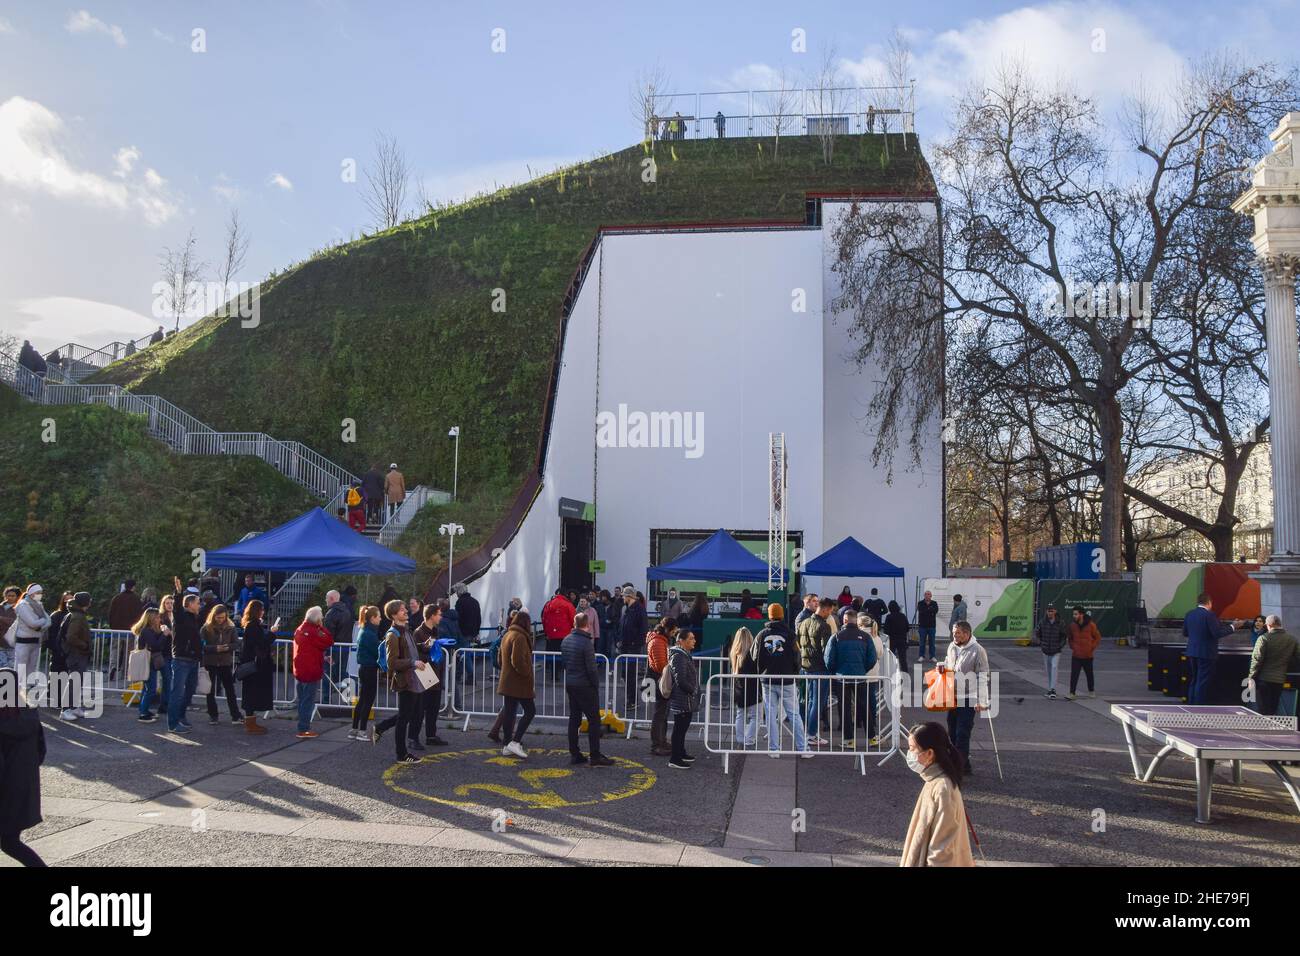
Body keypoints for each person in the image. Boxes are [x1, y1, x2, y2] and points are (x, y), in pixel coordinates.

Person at [900, 722, 975, 867]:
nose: (910, 754)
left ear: (929, 753)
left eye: (912, 749)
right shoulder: (934, 779)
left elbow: (941, 850)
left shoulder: (942, 787)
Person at [372, 600, 427, 763]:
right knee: (404, 718)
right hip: (405, 680)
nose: (406, 611)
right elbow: (392, 662)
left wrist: (423, 646)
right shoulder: (392, 635)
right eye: (402, 610)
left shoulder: (406, 630)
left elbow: (410, 649)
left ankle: (381, 727)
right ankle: (401, 754)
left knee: (410, 714)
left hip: (415, 678)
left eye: (405, 609)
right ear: (394, 615)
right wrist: (412, 662)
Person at [0, 688, 47, 867]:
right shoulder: (30, 716)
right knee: (10, 842)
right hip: (25, 789)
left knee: (10, 843)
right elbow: (41, 753)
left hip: (5, 791)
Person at [756, 603, 809, 758]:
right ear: (782, 615)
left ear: (769, 616)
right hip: (787, 679)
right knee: (794, 714)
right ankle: (802, 748)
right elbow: (798, 657)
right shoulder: (790, 635)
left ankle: (774, 749)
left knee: (770, 715)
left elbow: (754, 656)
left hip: (767, 679)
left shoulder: (761, 634)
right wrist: (794, 672)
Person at [562, 611, 612, 766]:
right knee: (594, 720)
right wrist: (596, 685)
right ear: (588, 625)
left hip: (571, 682)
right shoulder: (587, 644)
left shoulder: (566, 640)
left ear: (574, 624)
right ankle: (595, 755)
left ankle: (574, 753)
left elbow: (565, 663)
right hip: (585, 685)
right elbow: (592, 670)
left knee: (574, 719)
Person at [940, 621, 989, 773]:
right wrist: (943, 666)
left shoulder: (978, 650)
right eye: (953, 633)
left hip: (969, 696)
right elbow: (949, 663)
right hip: (953, 695)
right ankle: (963, 763)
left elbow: (983, 676)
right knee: (952, 729)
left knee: (963, 731)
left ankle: (958, 767)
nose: (954, 635)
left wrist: (982, 700)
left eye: (957, 633)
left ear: (967, 634)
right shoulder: (952, 646)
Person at [825, 611, 878, 743]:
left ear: (844, 620)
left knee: (845, 709)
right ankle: (871, 737)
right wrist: (862, 669)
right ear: (856, 621)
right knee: (864, 707)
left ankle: (848, 740)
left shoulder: (836, 637)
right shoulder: (866, 637)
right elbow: (872, 658)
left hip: (841, 677)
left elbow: (828, 659)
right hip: (860, 676)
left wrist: (835, 670)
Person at [410, 603, 454, 750]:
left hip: (435, 672)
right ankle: (413, 738)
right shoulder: (418, 632)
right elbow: (416, 654)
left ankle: (431, 735)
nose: (441, 617)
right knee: (419, 709)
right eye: (439, 614)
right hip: (424, 673)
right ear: (432, 616)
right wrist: (428, 649)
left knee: (433, 707)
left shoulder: (435, 631)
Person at [495, 609, 536, 759]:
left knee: (510, 712)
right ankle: (515, 741)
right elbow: (518, 661)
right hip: (519, 681)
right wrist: (526, 672)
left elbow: (500, 658)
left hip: (507, 679)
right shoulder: (520, 637)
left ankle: (507, 744)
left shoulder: (507, 634)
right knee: (530, 711)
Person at [796, 597, 834, 747]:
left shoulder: (804, 622)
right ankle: (811, 734)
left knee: (807, 701)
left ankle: (806, 732)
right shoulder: (824, 626)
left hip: (805, 667)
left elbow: (799, 643)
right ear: (825, 609)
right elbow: (827, 651)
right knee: (817, 702)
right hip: (819, 669)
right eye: (830, 611)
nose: (830, 614)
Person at [167, 579, 204, 733]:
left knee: (189, 691)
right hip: (181, 659)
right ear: (189, 604)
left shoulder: (194, 619)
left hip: (193, 659)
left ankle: (181, 716)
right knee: (177, 692)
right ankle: (173, 724)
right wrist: (178, 592)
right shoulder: (181, 616)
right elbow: (176, 609)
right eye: (197, 603)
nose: (199, 605)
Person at [291, 606, 334, 738]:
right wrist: (321, 627)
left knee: (302, 699)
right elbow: (329, 640)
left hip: (300, 669)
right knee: (308, 701)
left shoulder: (300, 629)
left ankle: (302, 725)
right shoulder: (314, 631)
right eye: (320, 618)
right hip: (311, 670)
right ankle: (303, 728)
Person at [1248, 614, 1300, 716]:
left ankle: (1265, 729)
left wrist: (1251, 677)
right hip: (1279, 680)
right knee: (1273, 708)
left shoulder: (1263, 638)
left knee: (1263, 709)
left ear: (1269, 625)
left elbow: (1256, 660)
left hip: (1263, 679)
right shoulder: (1292, 640)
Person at [666, 626, 700, 769]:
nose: (694, 641)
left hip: (686, 698)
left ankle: (681, 752)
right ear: (681, 641)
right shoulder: (678, 656)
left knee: (683, 728)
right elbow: (680, 678)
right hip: (682, 698)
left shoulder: (683, 654)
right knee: (679, 729)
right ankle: (675, 758)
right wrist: (692, 691)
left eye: (693, 638)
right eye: (691, 638)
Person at [238, 600, 272, 734]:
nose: (263, 612)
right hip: (254, 664)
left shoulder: (250, 625)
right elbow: (261, 643)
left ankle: (250, 722)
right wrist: (272, 634)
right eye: (261, 609)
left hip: (251, 663)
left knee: (250, 693)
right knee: (251, 694)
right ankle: (250, 724)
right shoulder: (253, 626)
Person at [58, 592, 94, 721]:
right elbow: (71, 637)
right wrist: (84, 645)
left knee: (76, 681)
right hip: (77, 653)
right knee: (74, 681)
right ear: (85, 602)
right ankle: (66, 709)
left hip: (75, 653)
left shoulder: (75, 614)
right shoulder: (78, 616)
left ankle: (73, 707)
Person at [350, 605, 382, 740]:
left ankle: (354, 729)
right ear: (373, 618)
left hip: (364, 668)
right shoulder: (369, 633)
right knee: (367, 700)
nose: (380, 619)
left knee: (363, 699)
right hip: (369, 668)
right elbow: (377, 651)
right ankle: (362, 730)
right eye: (379, 616)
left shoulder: (364, 630)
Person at [132, 607, 170, 723]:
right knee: (151, 688)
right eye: (158, 617)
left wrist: (162, 633)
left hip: (151, 661)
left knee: (148, 687)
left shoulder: (150, 630)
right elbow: (155, 646)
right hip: (148, 661)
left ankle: (144, 709)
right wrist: (164, 635)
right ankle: (143, 713)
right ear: (152, 619)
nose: (160, 619)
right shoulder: (146, 631)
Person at [645, 618, 675, 755]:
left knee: (662, 713)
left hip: (658, 680)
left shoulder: (659, 640)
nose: (675, 633)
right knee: (660, 714)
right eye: (674, 630)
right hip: (659, 680)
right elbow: (660, 665)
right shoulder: (658, 642)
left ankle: (661, 741)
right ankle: (657, 744)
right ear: (668, 629)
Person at [12, 585, 50, 688]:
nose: (40, 594)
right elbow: (32, 623)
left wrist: (41, 625)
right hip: (23, 641)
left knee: (31, 667)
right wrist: (42, 621)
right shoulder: (23, 605)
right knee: (21, 667)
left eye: (41, 592)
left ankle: (27, 691)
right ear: (31, 593)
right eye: (38, 592)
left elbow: (49, 621)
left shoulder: (39, 605)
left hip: (36, 640)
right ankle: (16, 690)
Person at [728, 626, 760, 747]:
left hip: (739, 687)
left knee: (740, 714)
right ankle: (750, 739)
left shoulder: (734, 653)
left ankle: (741, 739)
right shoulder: (752, 653)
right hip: (753, 687)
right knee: (755, 716)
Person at [1066, 605, 1102, 700]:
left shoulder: (1091, 625)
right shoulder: (1072, 625)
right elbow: (1070, 638)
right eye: (1073, 614)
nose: (1074, 616)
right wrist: (1073, 646)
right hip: (1076, 655)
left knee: (1089, 674)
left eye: (1076, 614)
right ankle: (1072, 693)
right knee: (1074, 674)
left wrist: (1091, 647)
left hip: (1088, 655)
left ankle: (1091, 690)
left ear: (1081, 614)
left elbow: (1097, 637)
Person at [1034, 604, 1067, 699]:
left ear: (1055, 611)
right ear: (1046, 612)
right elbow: (1037, 633)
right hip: (1045, 650)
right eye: (1048, 611)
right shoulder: (1042, 622)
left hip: (1056, 650)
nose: (1050, 612)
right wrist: (1041, 643)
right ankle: (1050, 689)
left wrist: (1060, 646)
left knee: (1054, 667)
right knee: (1048, 670)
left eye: (1052, 611)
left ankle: (1053, 689)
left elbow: (1064, 636)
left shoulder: (1060, 623)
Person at [322, 589, 352, 687]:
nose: (325, 600)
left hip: (333, 649)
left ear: (331, 599)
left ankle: (326, 700)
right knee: (341, 673)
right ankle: (351, 697)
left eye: (326, 598)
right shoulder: (347, 611)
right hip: (344, 647)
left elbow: (328, 635)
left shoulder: (331, 614)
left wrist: (326, 652)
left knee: (328, 674)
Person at [541, 588, 576, 655]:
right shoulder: (568, 605)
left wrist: (546, 633)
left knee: (551, 656)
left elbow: (544, 619)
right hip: (565, 636)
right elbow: (573, 620)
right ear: (566, 595)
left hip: (551, 635)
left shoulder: (548, 604)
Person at [883, 600, 911, 675]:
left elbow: (886, 630)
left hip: (892, 640)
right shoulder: (903, 616)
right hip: (902, 639)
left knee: (891, 658)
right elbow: (907, 628)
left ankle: (891, 672)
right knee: (903, 659)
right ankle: (905, 674)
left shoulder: (889, 617)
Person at [916, 590, 939, 662]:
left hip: (932, 626)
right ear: (924, 596)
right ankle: (921, 656)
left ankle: (932, 656)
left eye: (929, 594)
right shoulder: (920, 603)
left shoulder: (934, 603)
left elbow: (935, 611)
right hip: (922, 626)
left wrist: (927, 610)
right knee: (922, 642)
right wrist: (930, 610)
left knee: (932, 642)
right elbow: (921, 611)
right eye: (926, 594)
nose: (927, 596)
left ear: (931, 596)